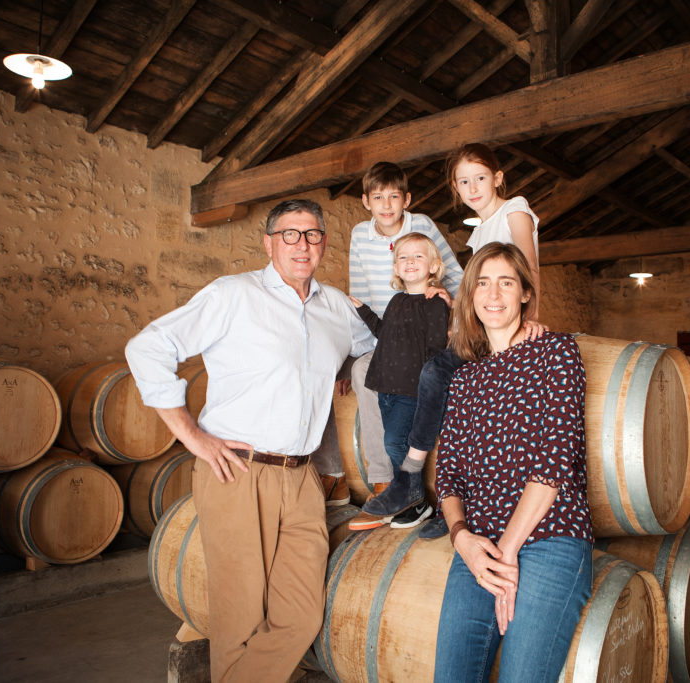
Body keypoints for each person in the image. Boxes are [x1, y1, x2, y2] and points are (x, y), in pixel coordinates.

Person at [124, 199, 375, 682]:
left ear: (323, 243)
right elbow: (148, 348)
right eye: (290, 234)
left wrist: (423, 304)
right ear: (268, 242)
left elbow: (382, 351)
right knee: (239, 621)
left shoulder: (338, 308)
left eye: (312, 235)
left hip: (303, 478)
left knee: (301, 615)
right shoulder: (232, 295)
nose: (302, 245)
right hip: (236, 470)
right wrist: (192, 436)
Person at [362, 144, 542, 538]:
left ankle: (411, 475)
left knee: (435, 372)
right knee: (455, 399)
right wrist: (451, 299)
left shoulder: (514, 209)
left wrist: (529, 320)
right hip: (480, 332)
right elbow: (478, 288)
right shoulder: (479, 231)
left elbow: (525, 269)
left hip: (506, 330)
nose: (472, 187)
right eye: (463, 181)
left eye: (480, 178)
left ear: (497, 178)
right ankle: (449, 502)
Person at [432, 243, 593, 682]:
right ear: (470, 296)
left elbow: (554, 462)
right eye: (482, 283)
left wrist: (509, 552)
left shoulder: (556, 353)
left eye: (506, 282)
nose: (493, 294)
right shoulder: (464, 378)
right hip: (480, 545)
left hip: (550, 538)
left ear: (525, 293)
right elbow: (447, 474)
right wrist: (461, 537)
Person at [347, 162, 463, 507]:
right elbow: (361, 293)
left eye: (393, 196)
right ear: (366, 201)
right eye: (378, 197)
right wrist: (357, 350)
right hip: (387, 335)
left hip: (425, 329)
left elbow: (453, 272)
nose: (386, 205)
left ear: (406, 199)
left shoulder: (422, 225)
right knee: (360, 370)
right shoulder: (358, 235)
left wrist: (453, 307)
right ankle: (383, 477)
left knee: (429, 373)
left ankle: (417, 473)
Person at [346, 232, 451, 530]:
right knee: (392, 441)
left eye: (418, 256)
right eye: (403, 257)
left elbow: (434, 349)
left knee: (394, 441)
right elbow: (384, 333)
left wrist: (430, 387)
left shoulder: (435, 304)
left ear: (433, 266)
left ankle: (415, 498)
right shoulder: (396, 301)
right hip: (386, 387)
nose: (410, 262)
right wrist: (363, 311)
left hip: (411, 388)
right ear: (395, 268)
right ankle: (410, 499)